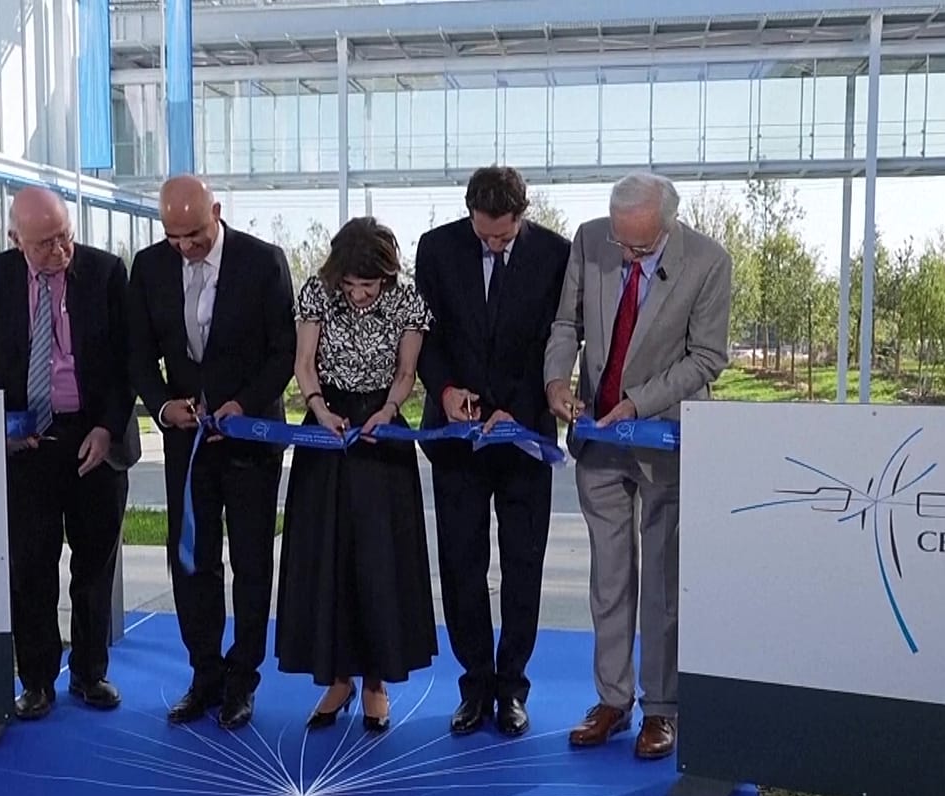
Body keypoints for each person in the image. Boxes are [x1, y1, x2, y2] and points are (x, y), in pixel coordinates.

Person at [542, 172, 731, 760]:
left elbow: (708, 356)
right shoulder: (589, 239)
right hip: (599, 440)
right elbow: (567, 325)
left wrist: (639, 402)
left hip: (664, 440)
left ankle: (663, 709)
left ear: (669, 226)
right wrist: (555, 378)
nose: (624, 255)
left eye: (639, 249)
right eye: (620, 243)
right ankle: (613, 700)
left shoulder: (708, 262)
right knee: (610, 579)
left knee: (663, 586)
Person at [0, 186, 139, 721]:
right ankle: (36, 679)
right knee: (31, 566)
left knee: (94, 564)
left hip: (93, 441)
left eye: (65, 237)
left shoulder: (105, 273)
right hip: (26, 446)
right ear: (16, 240)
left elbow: (129, 363)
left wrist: (107, 428)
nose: (59, 252)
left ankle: (89, 672)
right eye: (44, 244)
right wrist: (4, 421)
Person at [125, 175, 296, 730]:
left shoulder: (263, 262)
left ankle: (242, 677)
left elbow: (283, 352)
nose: (185, 247)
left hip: (250, 439)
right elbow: (137, 352)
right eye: (174, 237)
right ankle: (204, 673)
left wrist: (242, 404)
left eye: (195, 234)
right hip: (188, 444)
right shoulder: (148, 268)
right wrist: (161, 404)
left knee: (249, 561)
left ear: (216, 213)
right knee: (193, 559)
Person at [414, 166, 570, 737]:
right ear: (470, 213)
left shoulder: (556, 253)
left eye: (503, 236)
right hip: (457, 441)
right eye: (485, 235)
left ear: (522, 216)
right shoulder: (435, 249)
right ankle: (474, 685)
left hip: (524, 438)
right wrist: (447, 390)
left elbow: (555, 340)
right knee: (461, 565)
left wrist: (517, 410)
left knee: (524, 565)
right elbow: (423, 336)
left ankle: (513, 688)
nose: (494, 243)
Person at [275, 216, 437, 734]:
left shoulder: (407, 301)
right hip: (326, 435)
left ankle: (376, 683)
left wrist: (388, 411)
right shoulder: (317, 293)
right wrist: (320, 411)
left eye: (370, 285)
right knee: (327, 559)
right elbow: (304, 364)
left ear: (386, 277)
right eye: (351, 284)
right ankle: (337, 678)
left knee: (378, 561)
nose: (360, 294)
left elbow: (407, 374)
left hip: (381, 437)